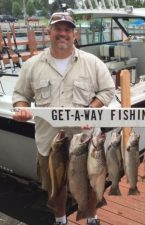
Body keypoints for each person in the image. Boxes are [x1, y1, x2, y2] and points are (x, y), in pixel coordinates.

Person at [12, 12, 115, 225]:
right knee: (56, 187)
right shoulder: (32, 65)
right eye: (58, 29)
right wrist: (21, 109)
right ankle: (61, 219)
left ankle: (91, 216)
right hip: (50, 143)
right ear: (49, 32)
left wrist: (90, 109)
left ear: (74, 34)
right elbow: (20, 96)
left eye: (67, 29)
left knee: (90, 182)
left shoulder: (92, 63)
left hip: (85, 139)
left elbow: (107, 90)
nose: (63, 33)